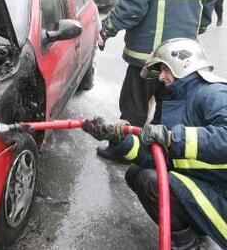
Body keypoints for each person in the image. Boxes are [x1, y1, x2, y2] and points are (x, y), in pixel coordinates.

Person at [83, 38, 227, 249]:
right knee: (136, 174)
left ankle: (188, 246)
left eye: (165, 70)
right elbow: (156, 154)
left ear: (183, 65)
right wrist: (118, 140)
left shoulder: (214, 93)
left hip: (221, 195)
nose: (160, 77)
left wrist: (173, 138)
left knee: (152, 181)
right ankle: (193, 230)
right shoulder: (175, 101)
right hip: (204, 185)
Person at [84, 0, 217, 162]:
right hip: (183, 55)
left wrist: (107, 28)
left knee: (134, 105)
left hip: (150, 50)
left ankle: (126, 150)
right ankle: (159, 155)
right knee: (168, 107)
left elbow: (134, 3)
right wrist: (198, 27)